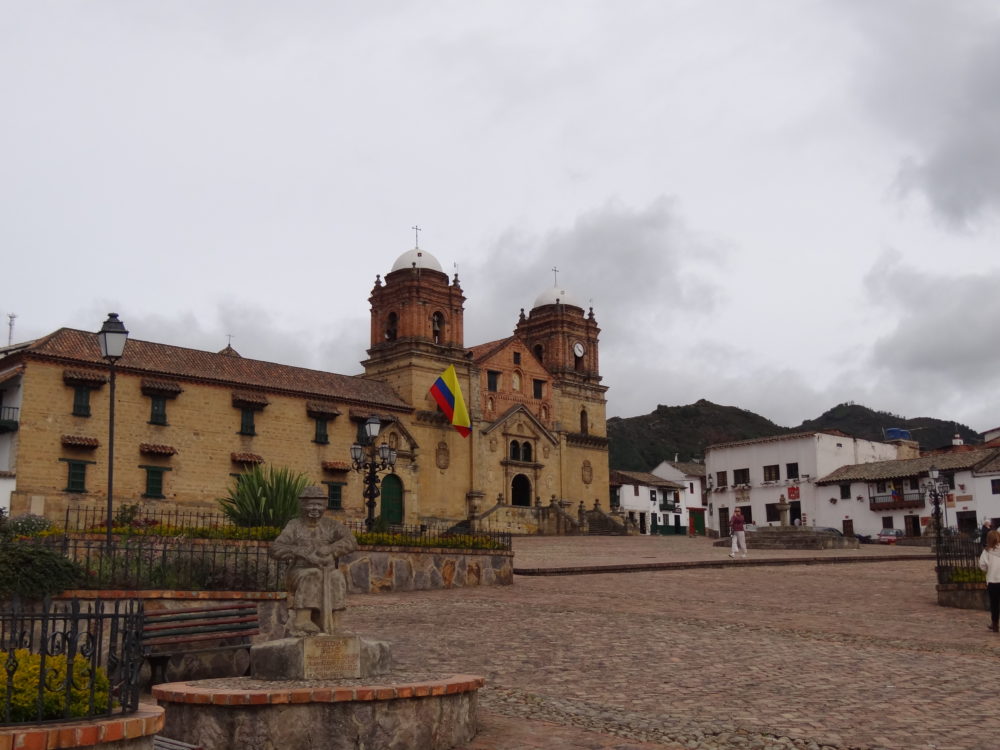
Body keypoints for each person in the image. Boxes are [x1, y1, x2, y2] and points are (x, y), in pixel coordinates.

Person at [271, 486, 359, 636]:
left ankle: (336, 623)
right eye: (310, 504)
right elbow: (276, 548)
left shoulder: (331, 525)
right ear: (302, 505)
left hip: (327, 571)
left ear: (324, 506)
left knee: (337, 577)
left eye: (319, 505)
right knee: (313, 574)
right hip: (299, 572)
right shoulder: (294, 525)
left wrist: (331, 549)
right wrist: (302, 553)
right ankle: (302, 620)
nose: (314, 508)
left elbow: (351, 541)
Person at [979, 529, 1000, 633]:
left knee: (994, 604)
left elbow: (982, 565)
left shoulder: (987, 551)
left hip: (993, 581)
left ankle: (995, 624)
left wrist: (989, 568)